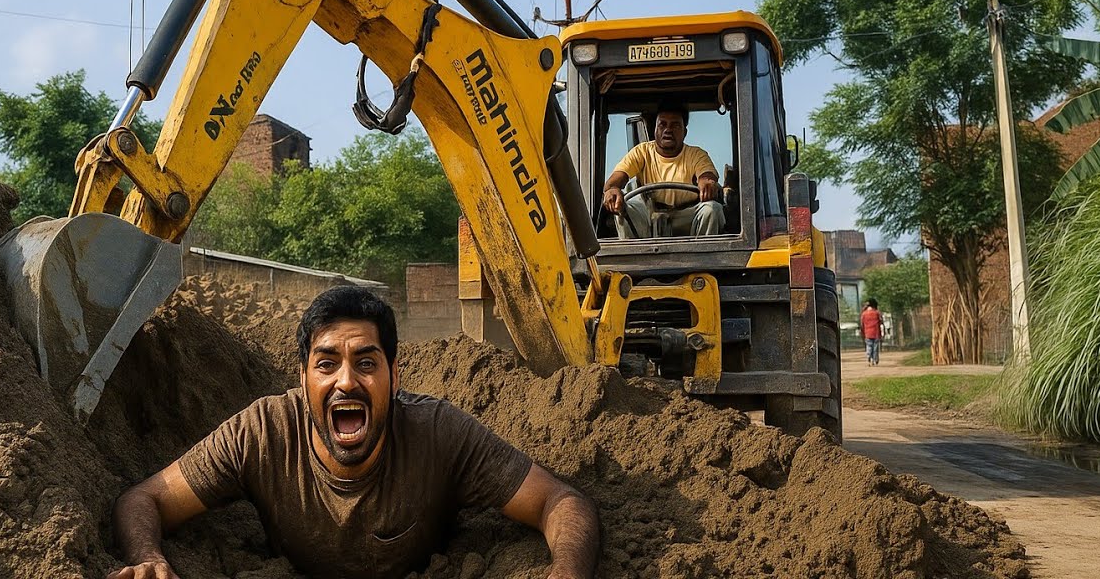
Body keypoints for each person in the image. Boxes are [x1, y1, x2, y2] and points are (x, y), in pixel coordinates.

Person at [106, 286, 600, 579]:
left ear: (394, 375)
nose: (346, 381)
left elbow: (560, 501)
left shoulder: (440, 434)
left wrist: (567, 571)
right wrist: (148, 557)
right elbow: (145, 498)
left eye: (366, 362)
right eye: (327, 363)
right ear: (302, 378)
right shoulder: (261, 433)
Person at [601, 101, 725, 238]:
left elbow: (707, 176)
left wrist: (707, 183)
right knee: (622, 210)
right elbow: (613, 182)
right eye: (662, 124)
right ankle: (633, 251)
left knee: (712, 209)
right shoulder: (641, 152)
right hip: (649, 216)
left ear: (684, 132)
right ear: (655, 130)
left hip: (687, 217)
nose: (668, 130)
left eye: (675, 125)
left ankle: (704, 251)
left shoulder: (696, 154)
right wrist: (612, 190)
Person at [860, 299, 884, 366]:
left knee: (869, 346)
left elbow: (862, 324)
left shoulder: (864, 314)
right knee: (875, 347)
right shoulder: (877, 313)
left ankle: (869, 359)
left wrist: (862, 333)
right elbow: (881, 322)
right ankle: (875, 360)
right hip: (876, 333)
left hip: (867, 333)